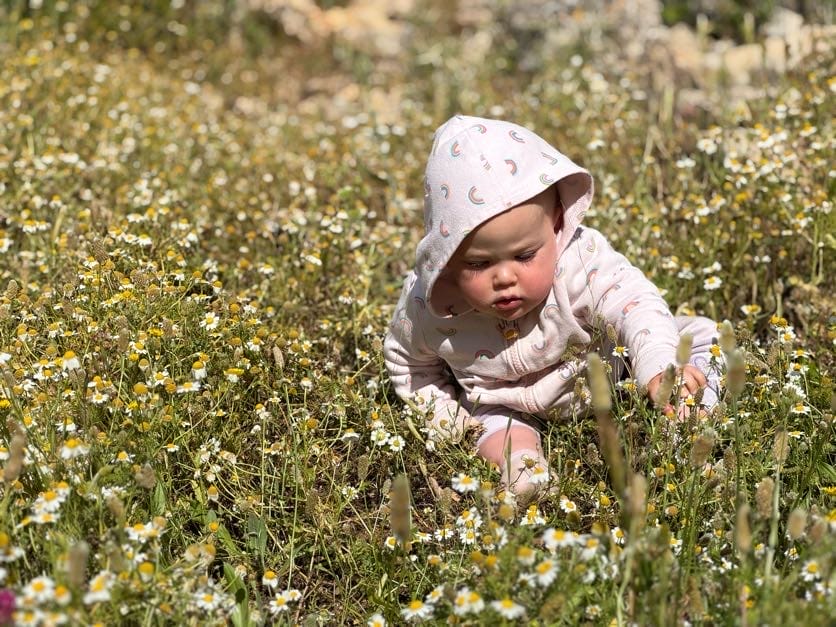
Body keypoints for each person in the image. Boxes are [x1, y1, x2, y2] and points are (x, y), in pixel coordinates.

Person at [383, 115, 721, 498]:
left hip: (613, 374)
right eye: (478, 263)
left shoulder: (580, 261)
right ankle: (523, 469)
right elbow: (407, 363)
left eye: (525, 255)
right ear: (446, 259)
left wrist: (658, 365)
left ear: (556, 225)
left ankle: (688, 415)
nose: (504, 277)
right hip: (502, 404)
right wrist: (446, 417)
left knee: (701, 336)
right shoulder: (428, 303)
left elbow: (633, 302)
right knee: (497, 429)